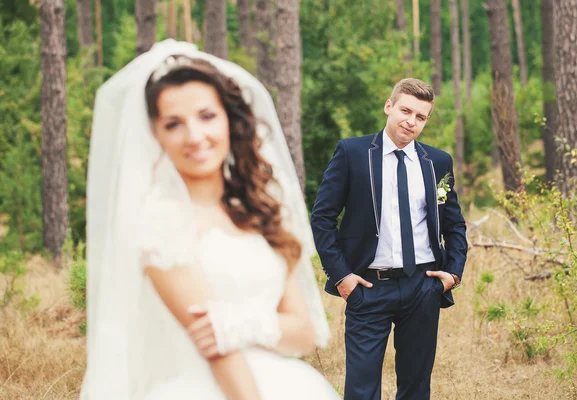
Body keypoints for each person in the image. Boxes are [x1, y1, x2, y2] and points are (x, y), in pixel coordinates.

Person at [81, 39, 338, 400]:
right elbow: (219, 354)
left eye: (206, 116)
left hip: (284, 384)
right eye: (174, 124)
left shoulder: (258, 211)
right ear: (155, 135)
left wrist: (244, 325)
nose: (195, 136)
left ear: (230, 120)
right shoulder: (159, 221)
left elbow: (306, 332)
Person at [311, 78, 468, 400]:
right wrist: (341, 276)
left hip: (423, 285)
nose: (411, 121)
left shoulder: (437, 162)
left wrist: (452, 273)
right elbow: (322, 217)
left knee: (415, 386)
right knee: (361, 388)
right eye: (405, 111)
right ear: (389, 106)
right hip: (368, 287)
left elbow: (454, 225)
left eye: (420, 117)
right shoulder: (352, 152)